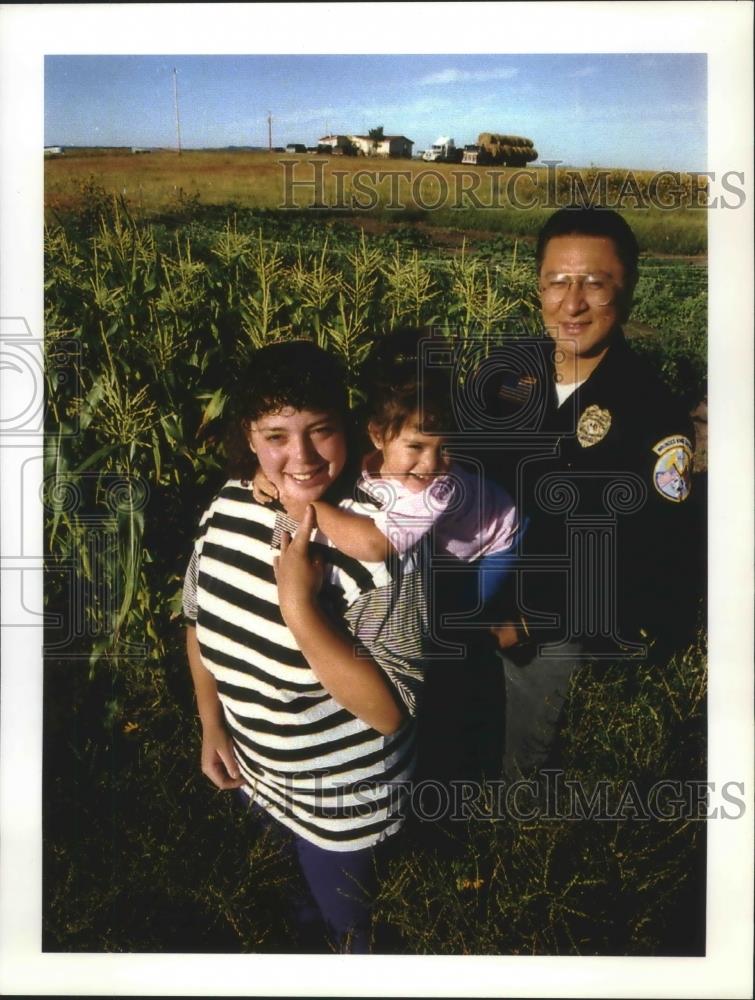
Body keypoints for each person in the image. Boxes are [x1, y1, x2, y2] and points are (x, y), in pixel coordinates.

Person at [182, 340, 427, 953]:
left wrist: (298, 604)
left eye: (321, 430)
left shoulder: (382, 535)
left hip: (343, 800)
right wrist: (211, 723)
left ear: (348, 426)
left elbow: (388, 708)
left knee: (351, 931)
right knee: (295, 905)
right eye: (276, 436)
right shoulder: (232, 500)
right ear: (250, 435)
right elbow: (196, 618)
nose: (301, 456)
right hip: (258, 772)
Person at [482, 207, 701, 781]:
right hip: (469, 607)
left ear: (628, 290)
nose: (572, 303)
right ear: (539, 286)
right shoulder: (504, 376)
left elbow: (651, 557)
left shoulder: (651, 411)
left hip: (551, 631)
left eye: (595, 284)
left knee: (519, 770)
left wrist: (527, 623)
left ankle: (519, 855)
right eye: (558, 281)